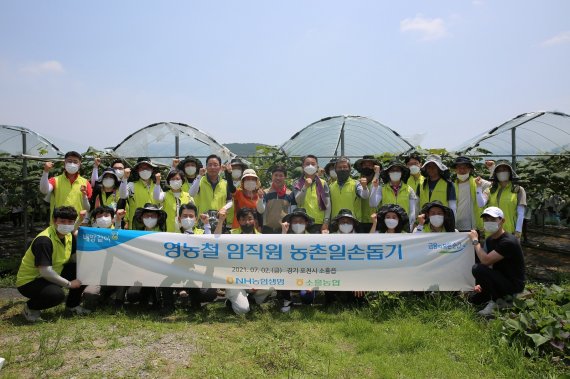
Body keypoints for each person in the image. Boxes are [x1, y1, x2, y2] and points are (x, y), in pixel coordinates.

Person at [16, 206, 89, 321]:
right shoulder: (44, 240)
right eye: (62, 221)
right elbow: (45, 271)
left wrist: (84, 272)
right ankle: (30, 308)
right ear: (54, 221)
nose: (66, 224)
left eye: (70, 222)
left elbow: (74, 258)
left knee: (83, 270)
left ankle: (72, 305)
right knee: (56, 295)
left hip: (52, 273)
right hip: (31, 281)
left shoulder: (68, 236)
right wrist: (69, 284)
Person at [469, 207, 525, 316]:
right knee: (473, 300)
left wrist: (475, 241)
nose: (488, 222)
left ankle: (499, 301)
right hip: (499, 278)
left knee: (477, 268)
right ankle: (492, 296)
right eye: (486, 220)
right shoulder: (490, 240)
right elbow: (488, 266)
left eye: (492, 220)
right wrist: (479, 284)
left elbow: (485, 261)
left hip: (513, 285)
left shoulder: (508, 241)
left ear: (502, 221)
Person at [216, 207, 273, 314]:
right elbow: (215, 241)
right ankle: (232, 301)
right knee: (242, 310)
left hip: (254, 279)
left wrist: (258, 280)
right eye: (243, 219)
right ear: (238, 221)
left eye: (249, 218)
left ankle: (252, 300)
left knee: (270, 286)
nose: (247, 222)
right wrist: (220, 222)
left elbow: (265, 263)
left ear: (255, 220)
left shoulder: (262, 238)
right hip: (235, 280)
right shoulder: (231, 235)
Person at [82, 206, 127, 310]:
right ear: (95, 219)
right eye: (99, 216)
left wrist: (119, 220)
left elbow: (117, 235)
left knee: (124, 275)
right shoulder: (91, 234)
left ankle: (119, 300)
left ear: (112, 218)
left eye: (106, 215)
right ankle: (105, 295)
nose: (103, 218)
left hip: (117, 273)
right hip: (97, 275)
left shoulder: (118, 230)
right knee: (89, 294)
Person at [278, 208, 317, 312]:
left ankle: (307, 295)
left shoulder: (314, 239)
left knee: (307, 297)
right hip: (290, 272)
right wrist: (283, 232)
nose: (298, 224)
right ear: (290, 223)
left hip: (308, 274)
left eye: (301, 221)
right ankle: (287, 299)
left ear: (306, 223)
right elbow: (279, 254)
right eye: (295, 221)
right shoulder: (285, 236)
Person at [326, 209, 366, 304]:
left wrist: (360, 282)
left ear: (353, 223)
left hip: (355, 274)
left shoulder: (362, 239)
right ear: (337, 223)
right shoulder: (329, 238)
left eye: (348, 222)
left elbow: (364, 263)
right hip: (335, 273)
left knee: (357, 300)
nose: (345, 224)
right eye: (342, 222)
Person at [40, 151, 92, 222]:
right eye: (69, 161)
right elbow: (44, 190)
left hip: (77, 224)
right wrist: (45, 172)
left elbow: (87, 207)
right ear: (64, 163)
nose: (72, 164)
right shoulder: (55, 180)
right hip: (58, 223)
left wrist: (84, 196)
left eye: (75, 162)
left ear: (80, 164)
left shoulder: (86, 183)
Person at [370, 160, 416, 231]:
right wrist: (374, 188)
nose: (395, 172)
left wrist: (410, 225)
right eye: (392, 170)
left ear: (401, 173)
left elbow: (412, 211)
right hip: (386, 225)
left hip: (403, 226)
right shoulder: (382, 189)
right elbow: (373, 204)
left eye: (397, 170)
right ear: (388, 173)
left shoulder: (409, 190)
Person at [485, 161, 527, 238]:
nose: (502, 172)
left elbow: (520, 213)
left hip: (509, 232)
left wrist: (518, 231)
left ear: (510, 172)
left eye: (505, 170)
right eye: (499, 171)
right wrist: (491, 167)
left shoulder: (518, 190)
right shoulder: (490, 190)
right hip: (491, 231)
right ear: (495, 173)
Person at [328, 156, 369, 232]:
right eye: (339, 167)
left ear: (350, 169)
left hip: (353, 224)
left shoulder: (356, 184)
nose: (342, 169)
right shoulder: (331, 186)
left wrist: (365, 187)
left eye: (345, 167)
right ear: (335, 170)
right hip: (336, 224)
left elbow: (365, 195)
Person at [293, 155, 331, 233]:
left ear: (317, 167)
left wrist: (326, 222)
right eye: (307, 164)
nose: (310, 166)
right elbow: (298, 201)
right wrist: (305, 187)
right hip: (302, 223)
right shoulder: (297, 183)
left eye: (313, 164)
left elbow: (328, 204)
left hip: (319, 223)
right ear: (303, 167)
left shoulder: (323, 183)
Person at [451, 156, 490, 232]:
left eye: (465, 167)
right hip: (456, 225)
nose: (462, 170)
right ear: (455, 170)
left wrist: (492, 168)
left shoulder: (478, 182)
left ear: (470, 169)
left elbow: (494, 184)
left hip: (474, 226)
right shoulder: (452, 185)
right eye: (459, 167)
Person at [119, 157, 159, 229]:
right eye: (142, 168)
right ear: (137, 170)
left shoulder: (157, 186)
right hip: (136, 227)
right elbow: (122, 195)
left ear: (152, 169)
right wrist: (124, 178)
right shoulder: (131, 185)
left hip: (153, 226)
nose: (145, 170)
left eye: (147, 168)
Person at [189, 154, 232, 220]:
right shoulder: (199, 180)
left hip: (219, 221)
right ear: (206, 167)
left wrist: (224, 208)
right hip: (202, 220)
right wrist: (199, 176)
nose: (212, 167)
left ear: (220, 167)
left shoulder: (225, 183)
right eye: (210, 165)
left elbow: (230, 201)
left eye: (215, 165)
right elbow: (191, 193)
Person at [257, 165, 296, 234]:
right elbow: (260, 210)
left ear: (285, 177)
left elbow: (292, 213)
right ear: (272, 177)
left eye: (281, 175)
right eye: (276, 175)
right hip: (267, 229)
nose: (278, 178)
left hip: (283, 229)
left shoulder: (290, 194)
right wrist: (260, 198)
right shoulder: (265, 192)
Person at [354, 155, 381, 232]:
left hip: (374, 220)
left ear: (374, 167)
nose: (367, 167)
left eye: (369, 165)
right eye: (365, 165)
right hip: (359, 221)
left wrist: (377, 173)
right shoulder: (357, 183)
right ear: (361, 167)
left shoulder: (379, 183)